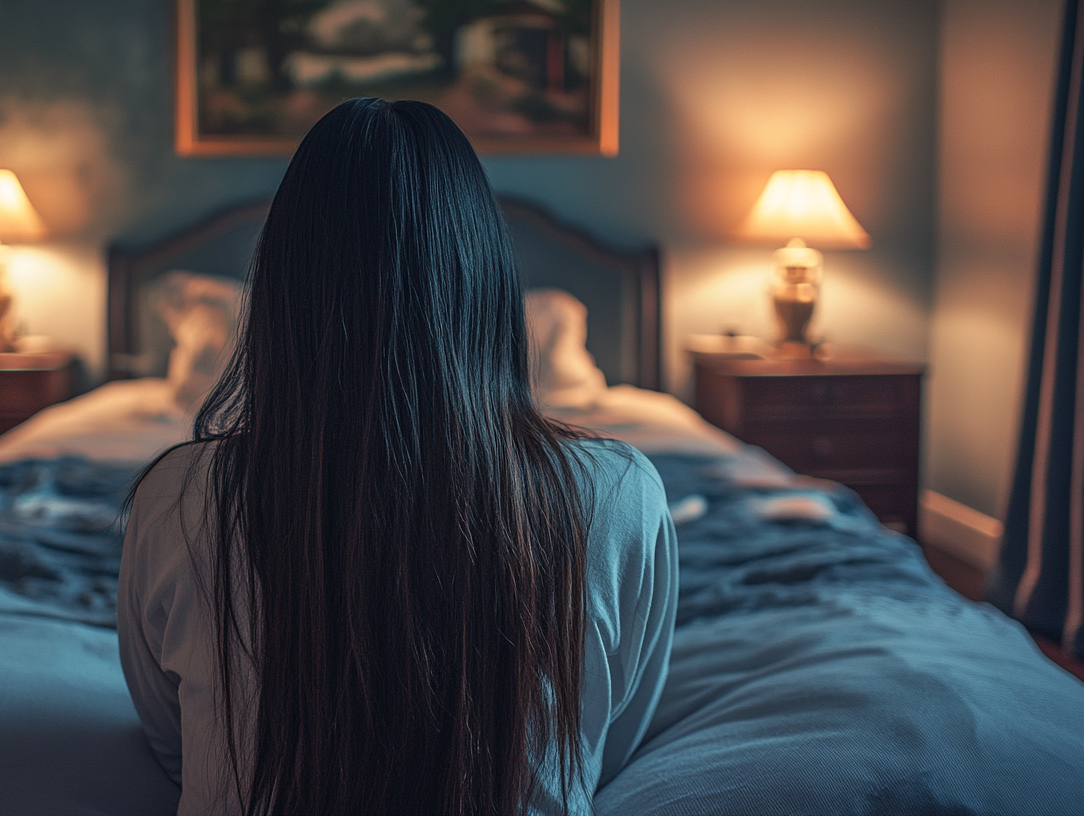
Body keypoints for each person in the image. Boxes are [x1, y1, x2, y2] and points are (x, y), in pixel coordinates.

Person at [118, 98, 677, 816]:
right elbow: (604, 742)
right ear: (486, 283)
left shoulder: (177, 497)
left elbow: (171, 741)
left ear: (284, 293)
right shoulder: (620, 493)